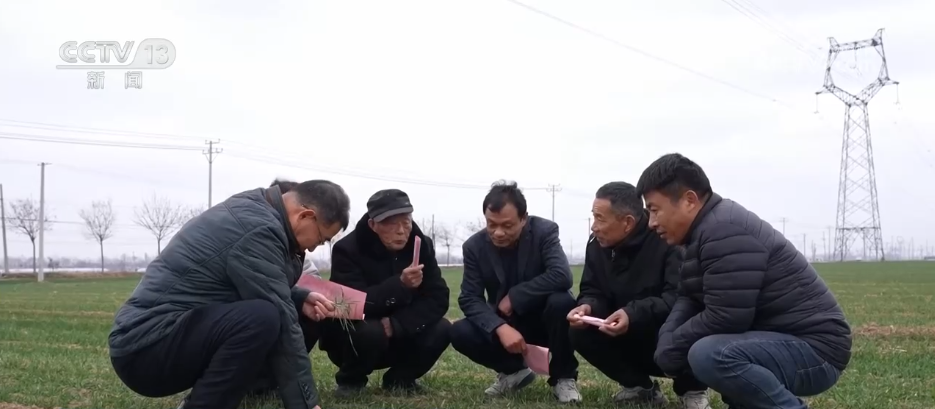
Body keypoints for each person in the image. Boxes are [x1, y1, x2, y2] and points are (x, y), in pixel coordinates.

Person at [108, 180, 352, 409]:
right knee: (263, 317)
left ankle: (248, 390)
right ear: (305, 215)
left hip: (156, 339)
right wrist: (306, 404)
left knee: (277, 312)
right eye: (321, 239)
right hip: (145, 347)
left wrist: (299, 298)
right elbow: (282, 319)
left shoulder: (258, 208)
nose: (315, 247)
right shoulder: (259, 229)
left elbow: (247, 280)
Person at [636, 153, 852, 409]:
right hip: (780, 341)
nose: (652, 223)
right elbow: (689, 297)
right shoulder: (701, 234)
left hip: (817, 352)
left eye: (655, 210)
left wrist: (674, 346)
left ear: (689, 200)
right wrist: (667, 341)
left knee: (709, 354)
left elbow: (726, 316)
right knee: (707, 349)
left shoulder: (724, 230)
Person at [567, 182, 710, 408]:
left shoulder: (666, 238)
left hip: (662, 331)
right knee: (579, 332)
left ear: (627, 222)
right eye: (594, 217)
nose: (594, 227)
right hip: (621, 330)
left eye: (600, 219)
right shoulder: (597, 245)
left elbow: (679, 297)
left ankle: (692, 390)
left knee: (687, 322)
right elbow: (592, 289)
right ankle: (639, 387)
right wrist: (587, 306)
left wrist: (632, 314)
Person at [450, 181, 581, 403]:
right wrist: (499, 327)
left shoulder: (544, 232)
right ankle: (513, 372)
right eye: (491, 224)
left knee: (562, 301)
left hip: (546, 321)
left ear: (523, 219)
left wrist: (515, 296)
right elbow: (470, 298)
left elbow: (561, 275)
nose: (498, 232)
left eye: (507, 225)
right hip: (507, 324)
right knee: (459, 332)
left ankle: (564, 377)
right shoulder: (474, 247)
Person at [326, 189, 451, 396]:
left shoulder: (421, 245)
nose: (401, 231)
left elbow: (438, 297)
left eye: (406, 222)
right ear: (373, 224)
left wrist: (398, 324)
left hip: (404, 331)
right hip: (358, 337)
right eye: (391, 224)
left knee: (443, 328)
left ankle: (400, 380)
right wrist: (400, 285)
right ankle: (351, 381)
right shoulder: (348, 249)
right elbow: (348, 303)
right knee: (371, 331)